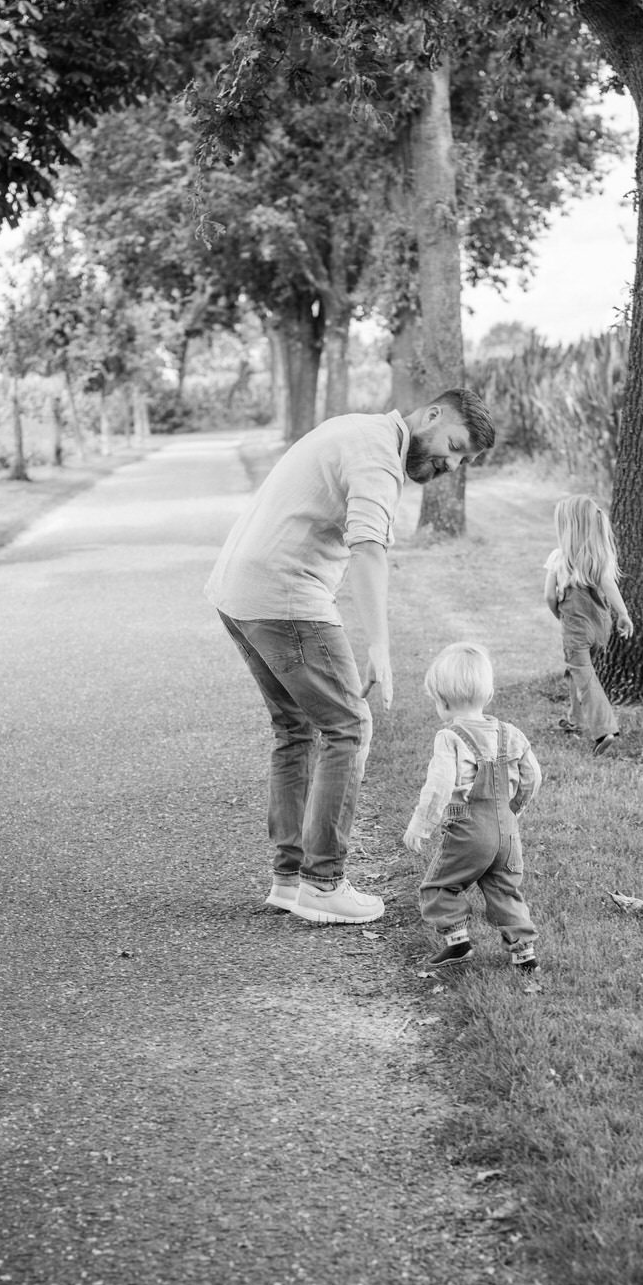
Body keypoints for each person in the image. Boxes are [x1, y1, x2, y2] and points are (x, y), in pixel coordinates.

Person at [206, 390, 496, 925]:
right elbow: (368, 548)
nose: (450, 464)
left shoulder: (356, 430)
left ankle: (289, 879)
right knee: (348, 726)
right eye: (453, 446)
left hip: (238, 592)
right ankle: (323, 883)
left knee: (295, 731)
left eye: (462, 461)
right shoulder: (380, 457)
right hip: (283, 595)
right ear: (430, 415)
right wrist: (379, 645)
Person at [404, 642, 541, 972]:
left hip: (466, 826)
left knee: (439, 885)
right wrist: (513, 810)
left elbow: (439, 788)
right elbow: (533, 777)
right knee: (504, 890)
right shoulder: (511, 734)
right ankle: (524, 953)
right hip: (507, 830)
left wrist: (420, 826)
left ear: (444, 702)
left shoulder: (450, 736)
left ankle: (458, 942)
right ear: (489, 694)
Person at [544, 494, 633, 757]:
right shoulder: (599, 557)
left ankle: (604, 729)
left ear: (568, 528)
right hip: (601, 628)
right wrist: (624, 614)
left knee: (585, 677)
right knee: (577, 672)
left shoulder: (559, 558)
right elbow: (609, 586)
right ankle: (574, 720)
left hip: (576, 630)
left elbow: (549, 596)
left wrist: (558, 614)